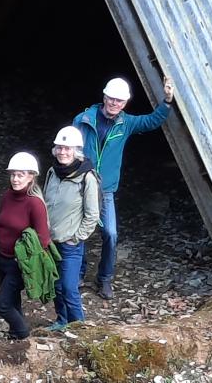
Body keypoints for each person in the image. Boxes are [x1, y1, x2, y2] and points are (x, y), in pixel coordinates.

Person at [71, 76, 174, 299]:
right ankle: (77, 274)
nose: (114, 103)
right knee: (79, 233)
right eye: (111, 99)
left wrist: (166, 102)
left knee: (111, 233)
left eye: (119, 101)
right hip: (81, 186)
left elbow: (151, 121)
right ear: (104, 97)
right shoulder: (83, 119)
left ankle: (105, 279)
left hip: (105, 189)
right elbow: (68, 148)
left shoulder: (125, 123)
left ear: (124, 103)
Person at [43, 127, 100, 330]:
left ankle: (80, 328)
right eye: (59, 148)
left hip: (70, 245)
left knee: (69, 287)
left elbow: (92, 214)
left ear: (76, 151)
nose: (63, 152)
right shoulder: (52, 172)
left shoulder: (87, 178)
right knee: (56, 286)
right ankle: (62, 320)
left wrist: (76, 238)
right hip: (52, 242)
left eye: (67, 149)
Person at [0, 152, 52, 340]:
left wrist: (24, 254)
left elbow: (43, 239)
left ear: (31, 177)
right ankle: (15, 336)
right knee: (12, 301)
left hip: (20, 264)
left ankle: (23, 334)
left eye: (20, 175)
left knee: (2, 305)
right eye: (13, 174)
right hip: (2, 258)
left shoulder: (35, 204)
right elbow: (0, 222)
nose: (15, 179)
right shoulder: (7, 196)